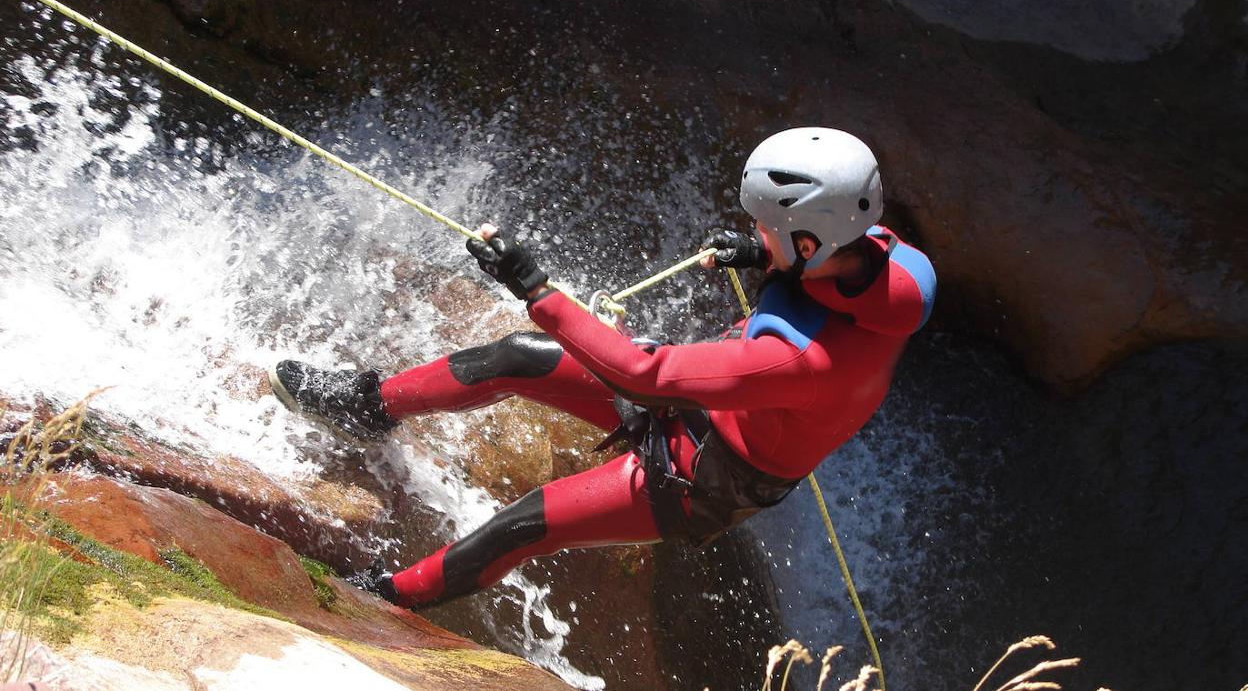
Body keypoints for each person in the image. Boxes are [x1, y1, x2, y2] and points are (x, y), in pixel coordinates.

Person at [269, 127, 936, 609]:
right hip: (706, 409)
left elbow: (641, 375)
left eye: (763, 226)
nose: (751, 230)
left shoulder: (801, 361)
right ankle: (369, 407)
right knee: (512, 359)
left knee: (523, 524)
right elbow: (822, 281)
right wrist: (762, 256)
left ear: (810, 240)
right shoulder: (885, 255)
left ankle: (388, 600)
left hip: (700, 478)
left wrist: (536, 289)